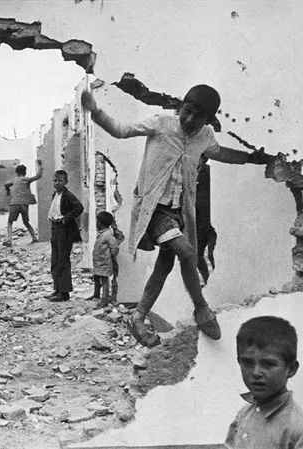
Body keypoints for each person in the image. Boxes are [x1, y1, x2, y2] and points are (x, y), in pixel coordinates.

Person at [81, 85, 273, 347]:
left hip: (179, 212)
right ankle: (201, 309)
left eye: (199, 117)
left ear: (209, 120)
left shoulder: (205, 135)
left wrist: (253, 158)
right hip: (154, 210)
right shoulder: (161, 123)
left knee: (164, 266)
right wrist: (95, 111)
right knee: (189, 254)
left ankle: (138, 317)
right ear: (181, 106)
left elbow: (220, 153)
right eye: (187, 111)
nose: (190, 120)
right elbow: (121, 130)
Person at [225, 316, 303, 448]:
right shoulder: (245, 413)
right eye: (248, 363)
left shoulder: (296, 427)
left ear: (290, 369)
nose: (256, 372)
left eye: (268, 364)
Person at [45, 169, 84, 302]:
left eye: (60, 181)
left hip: (64, 230)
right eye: (55, 180)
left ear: (66, 182)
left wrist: (66, 219)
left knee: (63, 261)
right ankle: (57, 289)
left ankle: (64, 292)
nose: (57, 183)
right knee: (55, 260)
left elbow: (79, 208)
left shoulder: (68, 195)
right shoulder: (55, 195)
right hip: (55, 228)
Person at [4, 160, 43, 246]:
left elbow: (6, 184)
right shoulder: (27, 179)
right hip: (24, 204)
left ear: (17, 172)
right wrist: (40, 166)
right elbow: (38, 176)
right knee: (26, 222)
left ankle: (9, 240)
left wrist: (8, 191)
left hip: (14, 203)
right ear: (24, 172)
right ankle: (34, 238)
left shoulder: (14, 180)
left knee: (10, 222)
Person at [196, 154, 218, 285]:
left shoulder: (209, 172)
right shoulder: (187, 173)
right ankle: (204, 282)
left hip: (210, 220)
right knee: (197, 254)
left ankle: (212, 283)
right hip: (196, 221)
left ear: (204, 158)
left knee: (210, 253)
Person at [91, 211, 120, 308]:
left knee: (104, 281)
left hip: (104, 262)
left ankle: (105, 299)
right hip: (98, 262)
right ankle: (96, 295)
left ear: (100, 223)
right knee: (96, 278)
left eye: (97, 221)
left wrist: (110, 256)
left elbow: (114, 247)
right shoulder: (101, 233)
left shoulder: (108, 235)